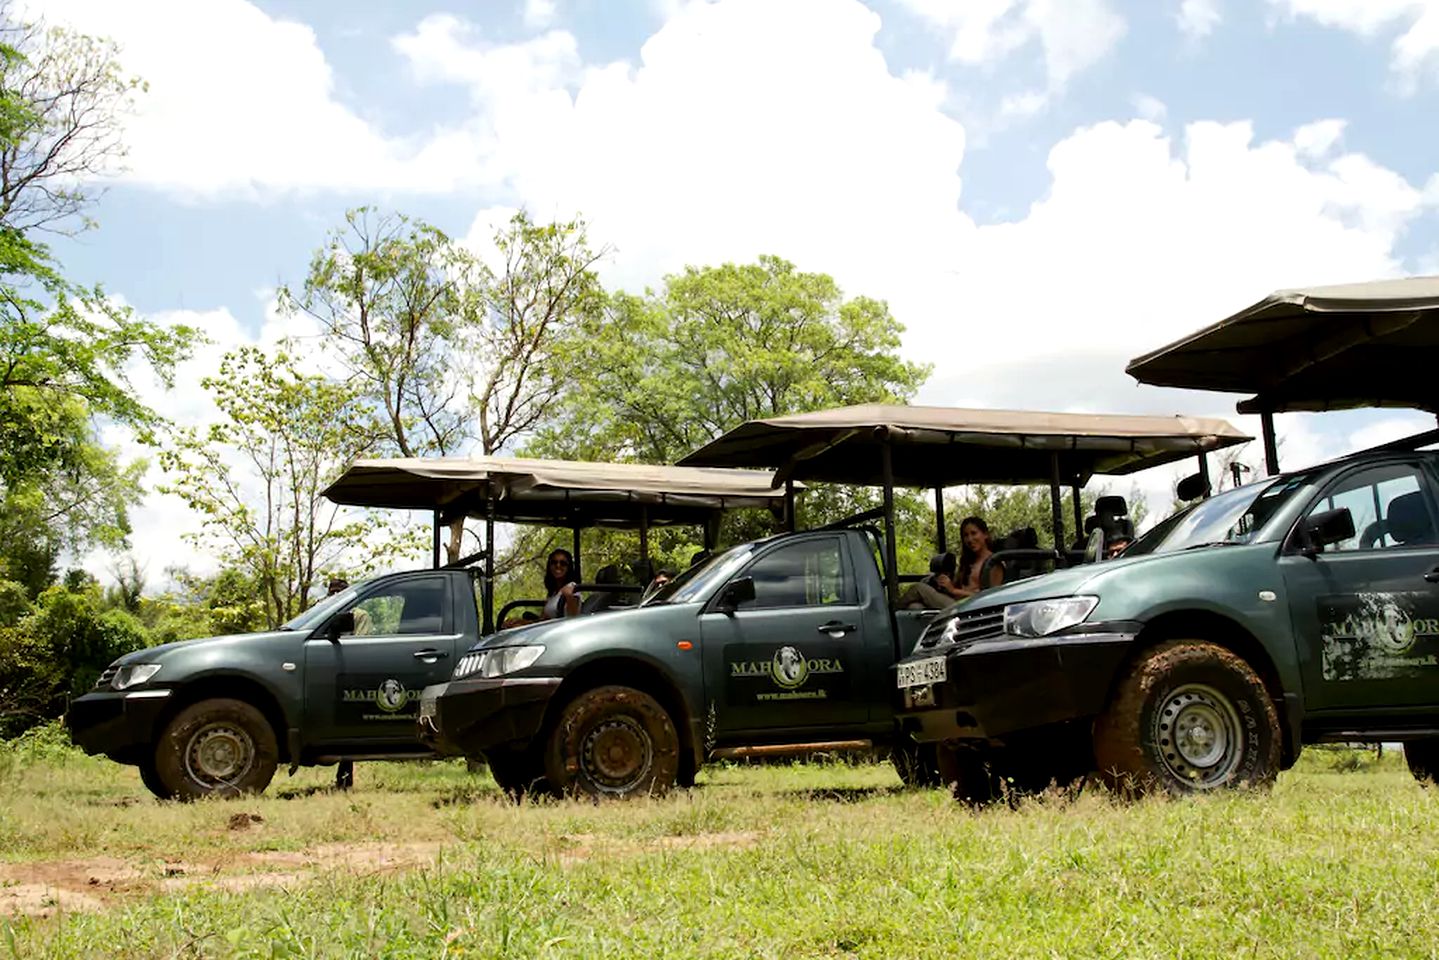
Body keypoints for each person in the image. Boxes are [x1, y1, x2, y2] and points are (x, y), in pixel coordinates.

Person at [897, 517, 1004, 609]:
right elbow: (960, 587)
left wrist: (953, 590)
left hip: (971, 607)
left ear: (985, 535)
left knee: (918, 588)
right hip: (956, 601)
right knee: (915, 607)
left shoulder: (993, 562)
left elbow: (991, 598)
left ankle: (888, 616)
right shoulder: (968, 561)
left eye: (974, 533)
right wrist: (945, 584)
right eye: (966, 536)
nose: (970, 539)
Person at [542, 549, 581, 619]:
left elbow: (574, 618)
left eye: (563, 563)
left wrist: (569, 596)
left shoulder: (572, 587)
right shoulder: (553, 593)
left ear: (569, 567)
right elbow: (543, 619)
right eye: (554, 562)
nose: (558, 565)